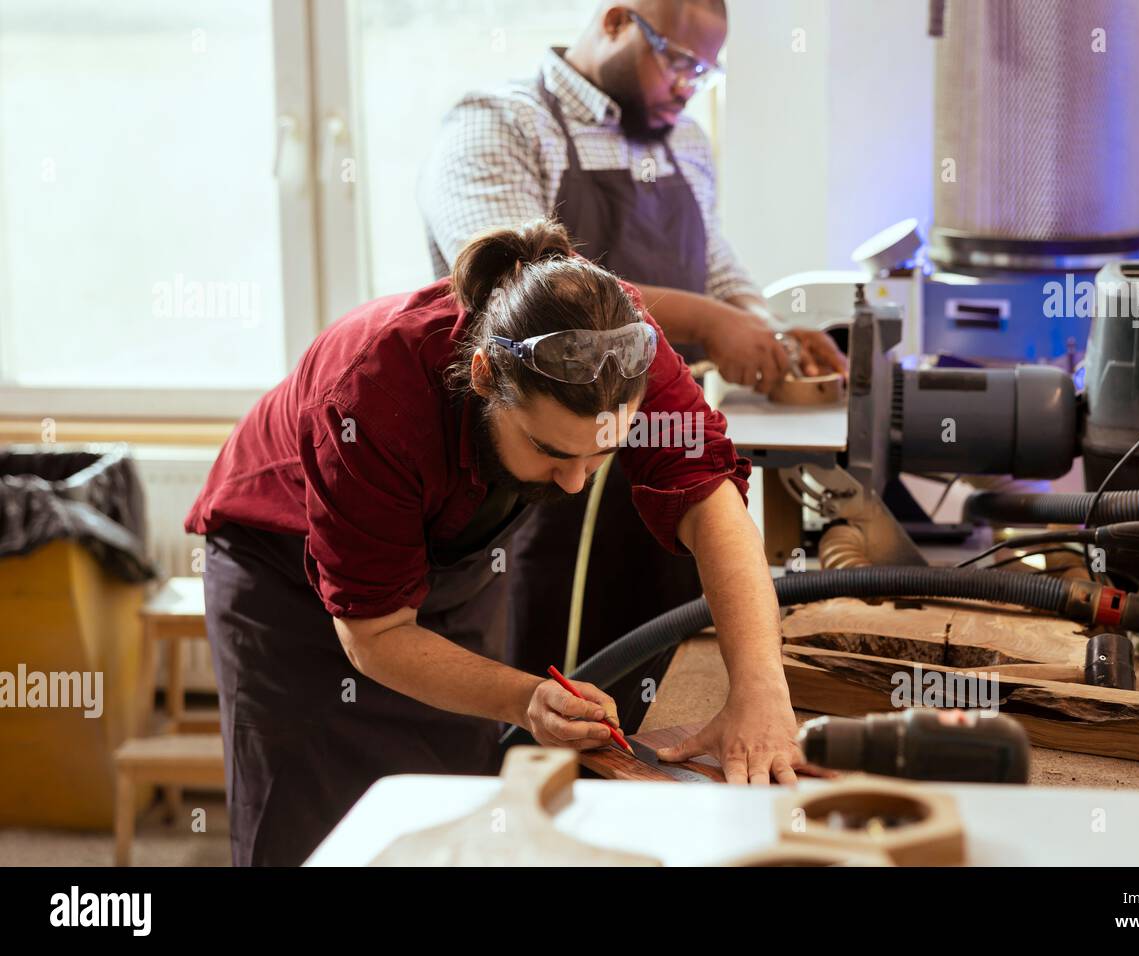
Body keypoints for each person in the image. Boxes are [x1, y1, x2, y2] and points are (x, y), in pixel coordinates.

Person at [185, 220, 802, 866]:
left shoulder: (619, 349)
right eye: (550, 451)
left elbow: (710, 498)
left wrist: (760, 687)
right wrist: (524, 696)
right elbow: (373, 634)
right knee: (319, 835)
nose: (572, 484)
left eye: (600, 456)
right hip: (284, 576)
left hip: (444, 559)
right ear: (484, 376)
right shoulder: (371, 396)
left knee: (454, 816)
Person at [419, 0, 845, 728]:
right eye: (677, 62)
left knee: (661, 683)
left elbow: (713, 262)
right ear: (617, 21)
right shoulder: (501, 122)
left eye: (703, 71)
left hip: (650, 442)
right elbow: (522, 287)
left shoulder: (683, 138)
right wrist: (713, 323)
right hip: (533, 458)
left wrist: (764, 328)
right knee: (544, 692)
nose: (688, 85)